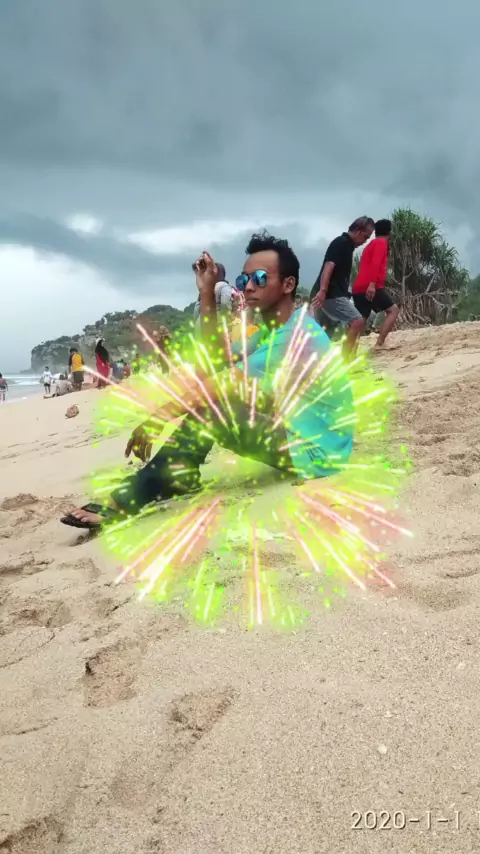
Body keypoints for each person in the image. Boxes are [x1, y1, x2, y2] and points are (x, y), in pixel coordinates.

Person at [60, 231, 354, 530]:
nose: (249, 286)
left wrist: (158, 419)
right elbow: (217, 358)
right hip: (300, 430)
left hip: (317, 451)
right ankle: (178, 475)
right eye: (244, 279)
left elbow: (217, 386)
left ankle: (144, 488)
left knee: (213, 407)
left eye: (260, 278)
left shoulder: (295, 335)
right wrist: (207, 292)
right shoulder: (274, 328)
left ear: (288, 285)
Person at [309, 216, 374, 358]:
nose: (365, 241)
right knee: (357, 321)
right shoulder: (341, 243)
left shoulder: (347, 246)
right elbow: (328, 266)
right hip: (329, 295)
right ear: (357, 231)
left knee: (324, 333)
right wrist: (323, 291)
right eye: (365, 236)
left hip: (330, 294)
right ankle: (346, 360)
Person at [352, 219, 400, 349]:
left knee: (361, 320)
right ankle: (380, 343)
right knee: (393, 310)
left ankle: (351, 351)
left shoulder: (370, 244)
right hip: (371, 286)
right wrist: (372, 284)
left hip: (359, 287)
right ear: (389, 232)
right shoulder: (381, 243)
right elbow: (376, 264)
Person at [193, 263, 236, 329]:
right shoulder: (224, 286)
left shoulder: (205, 289)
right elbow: (225, 304)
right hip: (216, 324)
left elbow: (196, 310)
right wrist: (225, 321)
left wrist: (197, 323)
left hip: (200, 324)